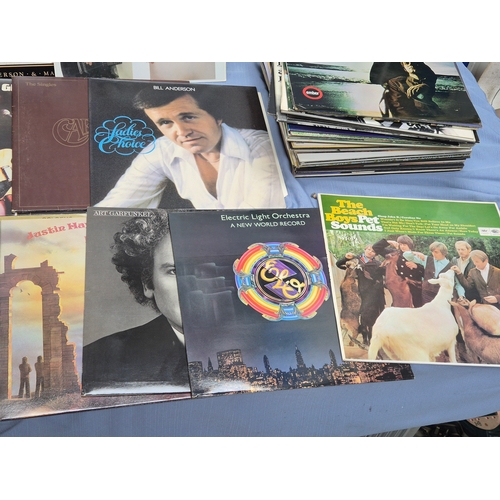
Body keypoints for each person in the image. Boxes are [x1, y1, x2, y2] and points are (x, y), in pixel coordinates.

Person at [95, 86, 286, 210]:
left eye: (188, 117)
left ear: (218, 116)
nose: (181, 132)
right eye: (165, 122)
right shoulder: (162, 150)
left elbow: (259, 218)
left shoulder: (261, 147)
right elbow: (113, 208)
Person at [82, 211, 190, 392]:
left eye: (205, 266)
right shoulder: (97, 361)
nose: (191, 285)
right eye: (175, 271)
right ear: (147, 283)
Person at [336, 244, 385, 344]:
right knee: (361, 315)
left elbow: (382, 276)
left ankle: (371, 337)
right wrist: (346, 258)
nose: (370, 252)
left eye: (373, 251)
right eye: (368, 249)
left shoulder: (378, 263)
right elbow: (339, 264)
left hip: (372, 293)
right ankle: (364, 337)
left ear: (375, 254)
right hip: (359, 293)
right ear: (365, 249)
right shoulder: (356, 260)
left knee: (372, 315)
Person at [370, 62, 440, 119]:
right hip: (395, 84)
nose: (410, 64)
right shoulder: (395, 82)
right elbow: (375, 76)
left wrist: (426, 85)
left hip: (409, 82)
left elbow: (430, 75)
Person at [372, 235, 424, 307]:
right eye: (400, 244)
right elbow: (376, 247)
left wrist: (416, 266)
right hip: (400, 287)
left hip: (415, 287)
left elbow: (424, 272)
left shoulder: (417, 255)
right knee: (398, 308)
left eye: (404, 245)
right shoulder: (394, 254)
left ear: (409, 245)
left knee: (417, 308)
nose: (402, 247)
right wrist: (388, 242)